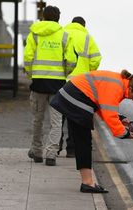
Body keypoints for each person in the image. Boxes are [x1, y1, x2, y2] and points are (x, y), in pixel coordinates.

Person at [50, 70, 133, 193]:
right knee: (84, 142)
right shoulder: (117, 87)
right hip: (76, 98)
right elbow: (109, 115)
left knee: (82, 141)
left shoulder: (119, 83)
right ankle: (87, 183)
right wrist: (125, 133)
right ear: (132, 88)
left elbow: (103, 107)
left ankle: (87, 182)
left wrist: (120, 119)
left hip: (72, 96)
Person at [24, 5, 77, 166]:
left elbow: (27, 57)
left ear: (43, 17)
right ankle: (51, 154)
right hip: (57, 84)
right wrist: (65, 73)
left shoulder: (35, 34)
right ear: (58, 18)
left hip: (38, 82)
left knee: (37, 119)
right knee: (56, 121)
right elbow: (72, 60)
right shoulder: (65, 36)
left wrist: (31, 73)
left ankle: (37, 151)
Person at [59, 16, 102, 158]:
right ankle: (71, 149)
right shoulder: (87, 38)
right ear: (84, 25)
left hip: (62, 79)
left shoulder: (62, 33)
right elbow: (96, 59)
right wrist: (88, 71)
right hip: (80, 84)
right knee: (73, 117)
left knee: (59, 116)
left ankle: (56, 147)